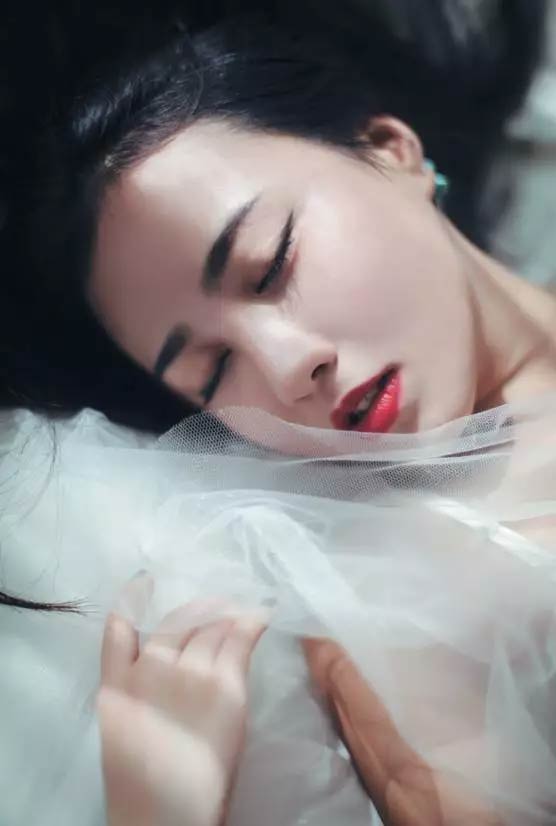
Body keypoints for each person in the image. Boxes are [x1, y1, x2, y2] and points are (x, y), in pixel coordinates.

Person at [1, 13, 556, 826]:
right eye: (212, 371)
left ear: (389, 150)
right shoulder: (391, 613)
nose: (289, 367)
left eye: (270, 266)